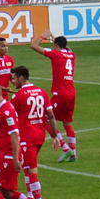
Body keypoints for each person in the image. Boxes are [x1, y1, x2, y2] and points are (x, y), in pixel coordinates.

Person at [11, 66, 62, 199]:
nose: (12, 82)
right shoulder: (42, 92)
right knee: (27, 166)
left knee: (31, 170)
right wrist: (55, 136)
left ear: (21, 78)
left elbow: (9, 114)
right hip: (40, 135)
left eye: (14, 79)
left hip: (28, 137)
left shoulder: (19, 96)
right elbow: (50, 116)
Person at [31, 30, 78, 162]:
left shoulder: (55, 54)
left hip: (61, 94)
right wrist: (55, 39)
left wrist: (42, 36)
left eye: (54, 45)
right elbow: (67, 48)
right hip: (71, 93)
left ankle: (65, 149)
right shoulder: (71, 55)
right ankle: (73, 153)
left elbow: (34, 46)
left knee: (46, 118)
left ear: (56, 46)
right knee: (67, 122)